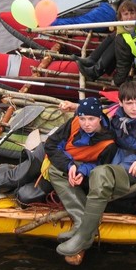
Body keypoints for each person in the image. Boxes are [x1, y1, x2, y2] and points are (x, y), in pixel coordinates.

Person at [56, 81, 136, 265]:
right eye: (129, 103)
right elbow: (100, 112)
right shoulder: (115, 113)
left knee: (100, 174)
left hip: (135, 171)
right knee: (66, 169)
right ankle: (81, 222)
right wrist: (76, 108)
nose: (134, 108)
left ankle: (84, 237)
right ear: (121, 103)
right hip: (114, 162)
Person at [46, 97, 118, 243]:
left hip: (91, 173)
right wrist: (69, 165)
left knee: (54, 171)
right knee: (53, 169)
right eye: (83, 118)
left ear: (99, 117)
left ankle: (84, 223)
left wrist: (83, 171)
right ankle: (82, 221)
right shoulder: (74, 123)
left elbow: (101, 169)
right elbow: (51, 145)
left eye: (91, 119)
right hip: (72, 162)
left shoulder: (109, 144)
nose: (86, 124)